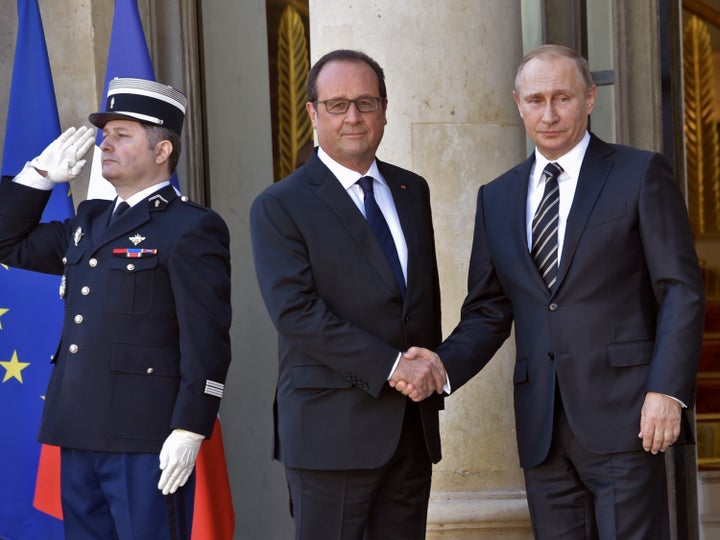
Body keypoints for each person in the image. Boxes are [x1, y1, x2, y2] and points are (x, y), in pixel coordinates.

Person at [399, 44, 706, 539]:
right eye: (536, 100)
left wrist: (666, 390)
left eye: (562, 98)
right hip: (543, 426)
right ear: (518, 104)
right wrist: (441, 366)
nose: (548, 113)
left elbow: (681, 290)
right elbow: (489, 310)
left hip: (628, 417)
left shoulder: (639, 173)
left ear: (589, 98)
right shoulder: (496, 196)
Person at [0, 77, 232, 540]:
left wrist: (191, 427)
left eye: (121, 135)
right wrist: (38, 176)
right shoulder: (90, 221)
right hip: (78, 429)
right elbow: (9, 242)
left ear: (162, 150)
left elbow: (206, 338)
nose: (105, 144)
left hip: (145, 438)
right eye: (105, 134)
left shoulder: (192, 228)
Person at [250, 49, 446, 539]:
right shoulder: (280, 205)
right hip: (329, 434)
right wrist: (394, 366)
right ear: (313, 114)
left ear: (384, 109)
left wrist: (430, 370)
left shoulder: (411, 189)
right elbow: (296, 313)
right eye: (337, 105)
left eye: (366, 102)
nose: (353, 117)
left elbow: (417, 302)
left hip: (410, 431)